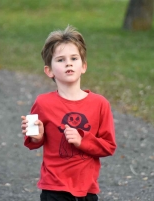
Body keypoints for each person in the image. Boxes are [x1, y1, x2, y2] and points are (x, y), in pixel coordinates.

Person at [21, 25, 116, 201]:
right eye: (60, 60)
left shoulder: (100, 104)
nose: (68, 63)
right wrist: (36, 136)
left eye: (74, 58)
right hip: (54, 188)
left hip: (87, 189)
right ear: (49, 70)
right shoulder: (43, 103)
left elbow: (109, 146)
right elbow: (33, 142)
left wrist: (82, 140)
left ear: (84, 66)